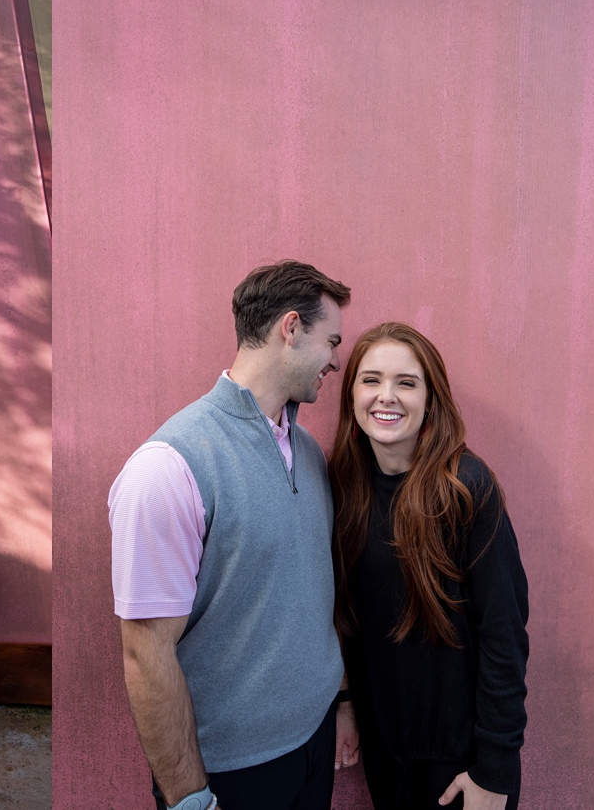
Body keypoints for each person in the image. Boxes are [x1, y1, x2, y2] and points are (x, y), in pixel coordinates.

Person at [109, 260, 358, 810]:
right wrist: (190, 799)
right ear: (289, 328)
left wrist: (340, 702)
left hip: (315, 746)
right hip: (231, 776)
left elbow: (318, 594)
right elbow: (145, 653)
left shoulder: (311, 454)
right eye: (331, 341)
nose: (337, 360)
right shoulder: (170, 466)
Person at [329, 323, 528, 810]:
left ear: (431, 398)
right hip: (386, 758)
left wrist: (494, 772)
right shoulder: (344, 486)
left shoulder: (466, 488)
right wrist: (347, 703)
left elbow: (504, 633)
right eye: (371, 380)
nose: (386, 396)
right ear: (352, 393)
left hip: (462, 768)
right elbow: (344, 616)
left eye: (407, 382)